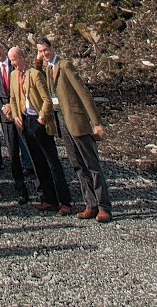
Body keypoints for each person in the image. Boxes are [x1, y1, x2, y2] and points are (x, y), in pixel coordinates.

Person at [35, 38, 112, 222]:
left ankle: (104, 207)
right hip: (63, 123)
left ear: (52, 48)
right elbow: (38, 75)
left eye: (46, 50)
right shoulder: (47, 68)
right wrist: (38, 59)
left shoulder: (65, 65)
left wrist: (96, 121)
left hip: (77, 121)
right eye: (41, 51)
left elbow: (83, 92)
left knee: (92, 165)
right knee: (78, 165)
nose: (44, 54)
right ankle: (90, 204)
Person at [7, 46, 72, 215]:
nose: (13, 63)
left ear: (22, 58)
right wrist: (15, 115)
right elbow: (13, 98)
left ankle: (64, 200)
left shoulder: (34, 74)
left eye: (15, 59)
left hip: (38, 121)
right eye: (11, 60)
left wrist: (42, 118)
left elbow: (47, 99)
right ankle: (48, 198)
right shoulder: (14, 76)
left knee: (52, 162)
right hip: (25, 121)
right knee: (38, 162)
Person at [0, 39, 30, 204]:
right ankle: (20, 188)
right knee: (13, 154)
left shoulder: (14, 65)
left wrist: (14, 106)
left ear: (3, 48)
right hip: (6, 116)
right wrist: (3, 107)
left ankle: (41, 186)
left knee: (30, 148)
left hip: (21, 113)